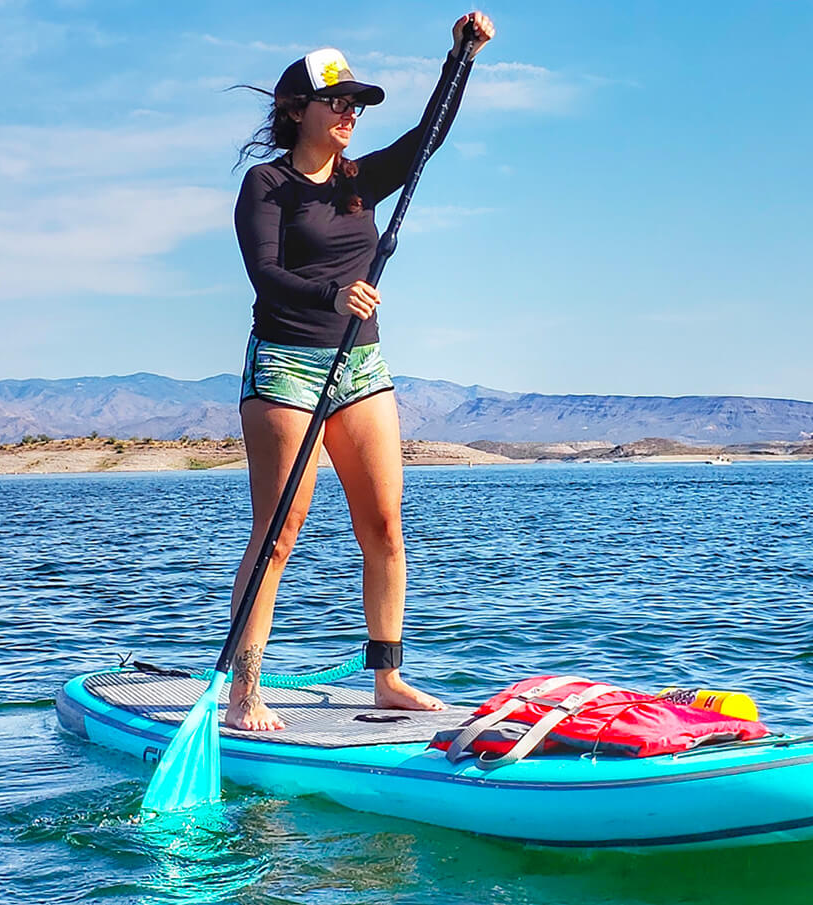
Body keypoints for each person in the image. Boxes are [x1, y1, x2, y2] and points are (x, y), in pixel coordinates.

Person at [227, 12, 495, 730]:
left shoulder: (359, 180)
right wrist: (332, 294)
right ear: (296, 110)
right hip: (285, 366)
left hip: (362, 366)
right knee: (279, 532)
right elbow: (267, 275)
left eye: (356, 103)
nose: (350, 112)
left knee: (383, 525)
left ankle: (388, 677)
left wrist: (458, 59)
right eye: (337, 101)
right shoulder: (267, 185)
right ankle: (244, 689)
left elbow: (427, 139)